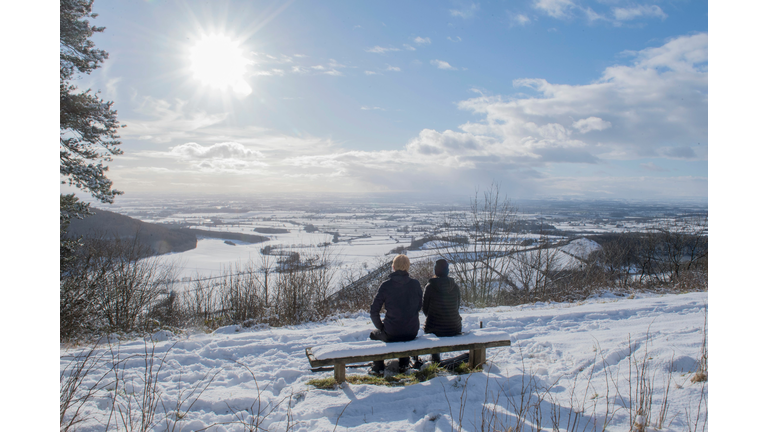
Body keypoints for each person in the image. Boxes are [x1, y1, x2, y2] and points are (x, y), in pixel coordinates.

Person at [369, 254, 423, 375]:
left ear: (393, 267)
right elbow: (419, 306)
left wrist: (381, 327)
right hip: (411, 332)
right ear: (408, 267)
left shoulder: (386, 285)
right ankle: (404, 364)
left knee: (374, 335)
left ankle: (378, 367)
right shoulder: (415, 284)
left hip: (391, 332)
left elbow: (374, 311)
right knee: (403, 332)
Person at [422, 259, 462, 364]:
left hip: (434, 328)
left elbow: (425, 310)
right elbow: (456, 307)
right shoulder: (455, 286)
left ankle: (435, 359)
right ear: (447, 271)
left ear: (436, 270)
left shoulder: (430, 287)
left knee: (432, 325)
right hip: (454, 327)